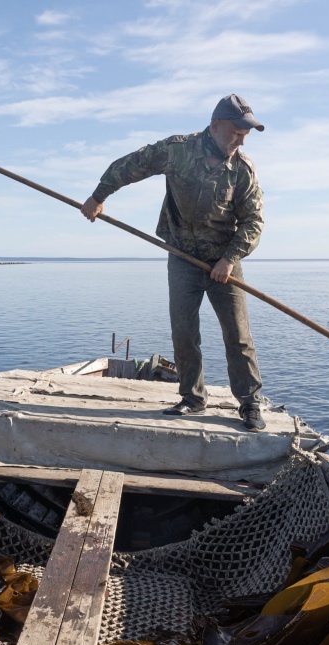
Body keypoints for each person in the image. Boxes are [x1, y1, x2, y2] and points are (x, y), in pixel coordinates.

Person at [80, 94, 267, 432]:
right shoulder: (178, 150)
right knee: (184, 331)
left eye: (245, 135)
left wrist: (228, 259)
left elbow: (254, 222)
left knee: (238, 335)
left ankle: (250, 404)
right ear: (216, 125)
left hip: (224, 262)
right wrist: (98, 196)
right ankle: (192, 398)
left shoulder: (243, 169)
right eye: (237, 133)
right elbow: (131, 165)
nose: (241, 140)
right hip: (182, 257)